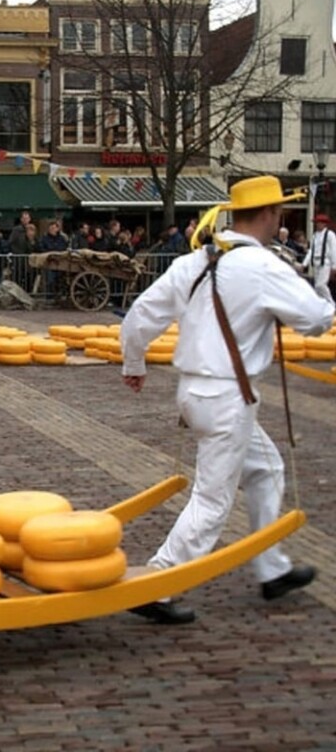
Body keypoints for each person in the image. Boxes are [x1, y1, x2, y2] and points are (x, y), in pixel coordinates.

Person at [120, 175, 334, 625]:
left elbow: (140, 314)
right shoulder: (263, 267)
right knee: (213, 499)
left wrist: (134, 364)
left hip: (194, 393)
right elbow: (315, 319)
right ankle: (158, 582)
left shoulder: (195, 261)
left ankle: (270, 567)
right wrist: (319, 297)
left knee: (266, 469)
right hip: (227, 398)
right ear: (272, 215)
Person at [303, 213, 336, 304]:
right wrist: (304, 263)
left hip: (325, 262)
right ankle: (321, 306)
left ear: (324, 224)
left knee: (320, 285)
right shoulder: (314, 235)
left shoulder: (330, 234)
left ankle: (332, 305)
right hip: (315, 262)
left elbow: (334, 249)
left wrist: (334, 266)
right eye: (316, 223)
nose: (317, 224)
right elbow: (311, 250)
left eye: (319, 222)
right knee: (317, 289)